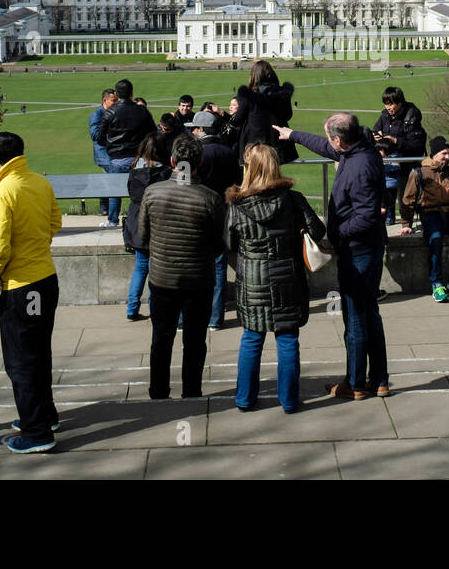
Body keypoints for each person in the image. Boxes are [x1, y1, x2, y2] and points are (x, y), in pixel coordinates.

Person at [278, 113, 388, 399]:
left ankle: (356, 384)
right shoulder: (359, 149)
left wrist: (337, 235)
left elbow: (365, 218)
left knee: (355, 318)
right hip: (369, 248)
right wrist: (293, 135)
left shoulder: (359, 165)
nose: (329, 143)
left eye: (330, 137)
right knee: (370, 313)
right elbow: (326, 147)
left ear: (340, 140)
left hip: (359, 252)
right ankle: (379, 380)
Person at [227, 143, 325, 412]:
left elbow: (229, 241)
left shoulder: (236, 205)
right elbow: (318, 231)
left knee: (252, 337)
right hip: (287, 277)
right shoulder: (293, 200)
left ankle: (245, 398)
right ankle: (290, 400)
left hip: (252, 279)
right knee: (287, 338)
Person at [0, 131, 62, 453]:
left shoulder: (3, 191)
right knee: (39, 352)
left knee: (21, 360)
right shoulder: (39, 183)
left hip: (21, 286)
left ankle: (36, 431)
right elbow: (55, 222)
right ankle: (45, 414)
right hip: (45, 279)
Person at [138, 134, 227, 400]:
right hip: (198, 279)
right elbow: (219, 243)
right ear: (199, 161)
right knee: (195, 341)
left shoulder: (153, 192)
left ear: (173, 160)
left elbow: (142, 236)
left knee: (161, 339)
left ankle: (159, 392)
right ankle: (191, 391)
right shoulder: (210, 198)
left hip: (164, 279)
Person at [401, 136, 449, 301]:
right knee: (436, 240)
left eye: (448, 153)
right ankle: (436, 284)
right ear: (434, 154)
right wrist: (407, 223)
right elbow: (408, 199)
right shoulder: (419, 172)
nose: (447, 157)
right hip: (430, 214)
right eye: (444, 153)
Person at [189, 109, 241, 329]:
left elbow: (183, 184)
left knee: (193, 265)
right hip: (223, 212)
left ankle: (187, 318)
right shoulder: (228, 152)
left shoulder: (196, 152)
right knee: (219, 266)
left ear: (201, 130)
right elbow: (237, 182)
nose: (192, 132)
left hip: (197, 213)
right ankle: (215, 319)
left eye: (194, 128)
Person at [123, 133, 170, 322]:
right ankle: (154, 308)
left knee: (140, 268)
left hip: (136, 220)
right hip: (156, 221)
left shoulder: (134, 168)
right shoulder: (164, 172)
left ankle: (132, 308)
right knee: (154, 269)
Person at [100, 79, 155, 228]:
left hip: (117, 159)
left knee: (114, 191)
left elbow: (99, 137)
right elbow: (153, 133)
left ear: (117, 94)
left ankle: (112, 220)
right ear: (131, 94)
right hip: (138, 159)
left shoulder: (110, 112)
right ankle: (140, 220)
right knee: (139, 193)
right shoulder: (142, 111)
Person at [372, 86, 426, 225]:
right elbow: (376, 129)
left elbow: (417, 146)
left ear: (400, 102)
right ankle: (388, 219)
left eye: (391, 104)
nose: (388, 107)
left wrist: (396, 141)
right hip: (387, 165)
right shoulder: (385, 115)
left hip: (405, 165)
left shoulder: (411, 116)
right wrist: (377, 136)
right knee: (386, 194)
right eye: (386, 103)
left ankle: (406, 223)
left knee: (405, 197)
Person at [235, 60, 297, 163]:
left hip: (254, 145)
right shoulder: (282, 94)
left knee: (254, 176)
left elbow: (238, 119)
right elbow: (287, 116)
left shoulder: (249, 96)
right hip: (277, 143)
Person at [89, 88, 117, 225]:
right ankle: (111, 216)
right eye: (114, 100)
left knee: (110, 182)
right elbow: (94, 135)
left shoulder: (114, 113)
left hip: (113, 155)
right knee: (113, 183)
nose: (116, 102)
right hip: (104, 155)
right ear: (105, 100)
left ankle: (105, 209)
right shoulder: (97, 115)